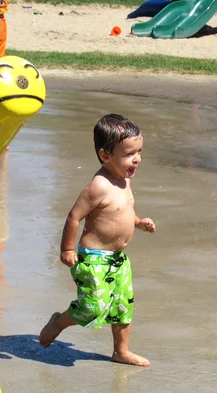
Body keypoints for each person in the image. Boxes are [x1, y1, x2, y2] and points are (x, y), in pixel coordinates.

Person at [39, 114, 156, 367]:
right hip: (94, 259)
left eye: (139, 152)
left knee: (123, 306)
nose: (137, 158)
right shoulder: (99, 186)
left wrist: (138, 222)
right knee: (92, 307)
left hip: (118, 260)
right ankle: (58, 321)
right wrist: (67, 248)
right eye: (129, 154)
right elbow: (74, 216)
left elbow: (121, 211)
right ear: (105, 155)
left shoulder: (124, 180)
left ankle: (121, 351)